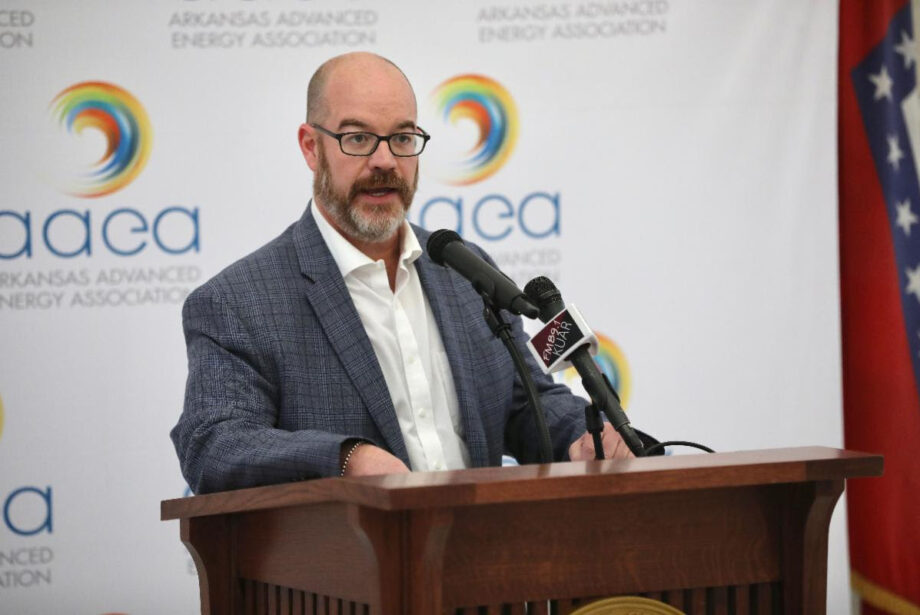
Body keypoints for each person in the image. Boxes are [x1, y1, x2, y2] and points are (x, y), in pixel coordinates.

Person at [171, 52, 634, 495]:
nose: (385, 161)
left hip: (487, 554)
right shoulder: (238, 301)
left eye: (402, 137)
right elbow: (214, 444)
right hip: (351, 569)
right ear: (312, 148)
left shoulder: (463, 270)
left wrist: (580, 437)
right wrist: (346, 459)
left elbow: (522, 404)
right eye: (357, 138)